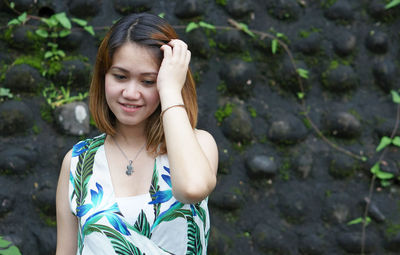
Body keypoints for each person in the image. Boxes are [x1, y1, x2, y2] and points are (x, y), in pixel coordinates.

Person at [55, 13, 218, 255]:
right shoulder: (78, 162)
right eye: (120, 76)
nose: (131, 92)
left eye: (148, 81)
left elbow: (191, 188)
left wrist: (172, 91)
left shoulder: (198, 144)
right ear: (103, 77)